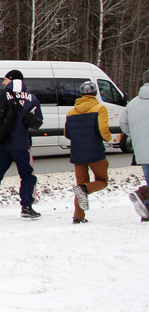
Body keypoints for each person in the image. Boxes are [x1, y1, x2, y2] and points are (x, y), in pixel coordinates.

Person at [0, 69, 43, 221]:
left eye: (6, 79)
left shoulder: (0, 95)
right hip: (22, 144)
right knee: (27, 176)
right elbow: (38, 121)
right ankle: (27, 206)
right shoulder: (31, 98)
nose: (3, 82)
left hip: (1, 144)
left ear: (13, 80)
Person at [64, 81, 111, 224]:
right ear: (95, 93)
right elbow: (103, 131)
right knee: (102, 181)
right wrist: (109, 138)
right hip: (95, 151)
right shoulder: (100, 108)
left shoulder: (71, 112)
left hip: (77, 153)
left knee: (81, 183)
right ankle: (85, 189)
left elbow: (67, 134)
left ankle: (78, 216)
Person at [120, 68, 149, 221]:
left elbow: (124, 125)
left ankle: (147, 212)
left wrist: (137, 136)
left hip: (142, 151)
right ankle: (143, 194)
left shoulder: (132, 104)